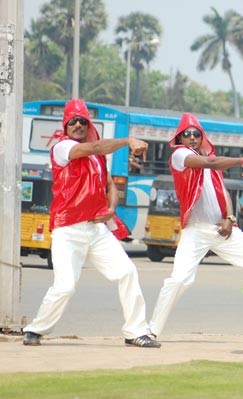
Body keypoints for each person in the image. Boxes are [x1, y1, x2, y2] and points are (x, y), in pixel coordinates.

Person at [23, 99, 160, 348]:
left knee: (127, 272)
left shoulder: (97, 159)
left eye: (82, 121)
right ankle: (35, 329)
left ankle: (135, 332)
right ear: (65, 126)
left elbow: (110, 185)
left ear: (88, 125)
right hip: (68, 229)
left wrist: (111, 208)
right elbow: (97, 146)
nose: (77, 124)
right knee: (65, 287)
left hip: (96, 229)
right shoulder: (62, 148)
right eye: (72, 121)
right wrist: (128, 141)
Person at [148, 113, 243, 344]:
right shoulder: (180, 156)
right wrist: (242, 160)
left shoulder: (209, 159)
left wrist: (230, 218)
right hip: (195, 230)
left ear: (202, 136)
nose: (192, 137)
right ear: (180, 138)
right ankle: (151, 330)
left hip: (222, 231)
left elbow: (223, 192)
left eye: (196, 134)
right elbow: (209, 163)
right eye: (187, 134)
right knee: (180, 280)